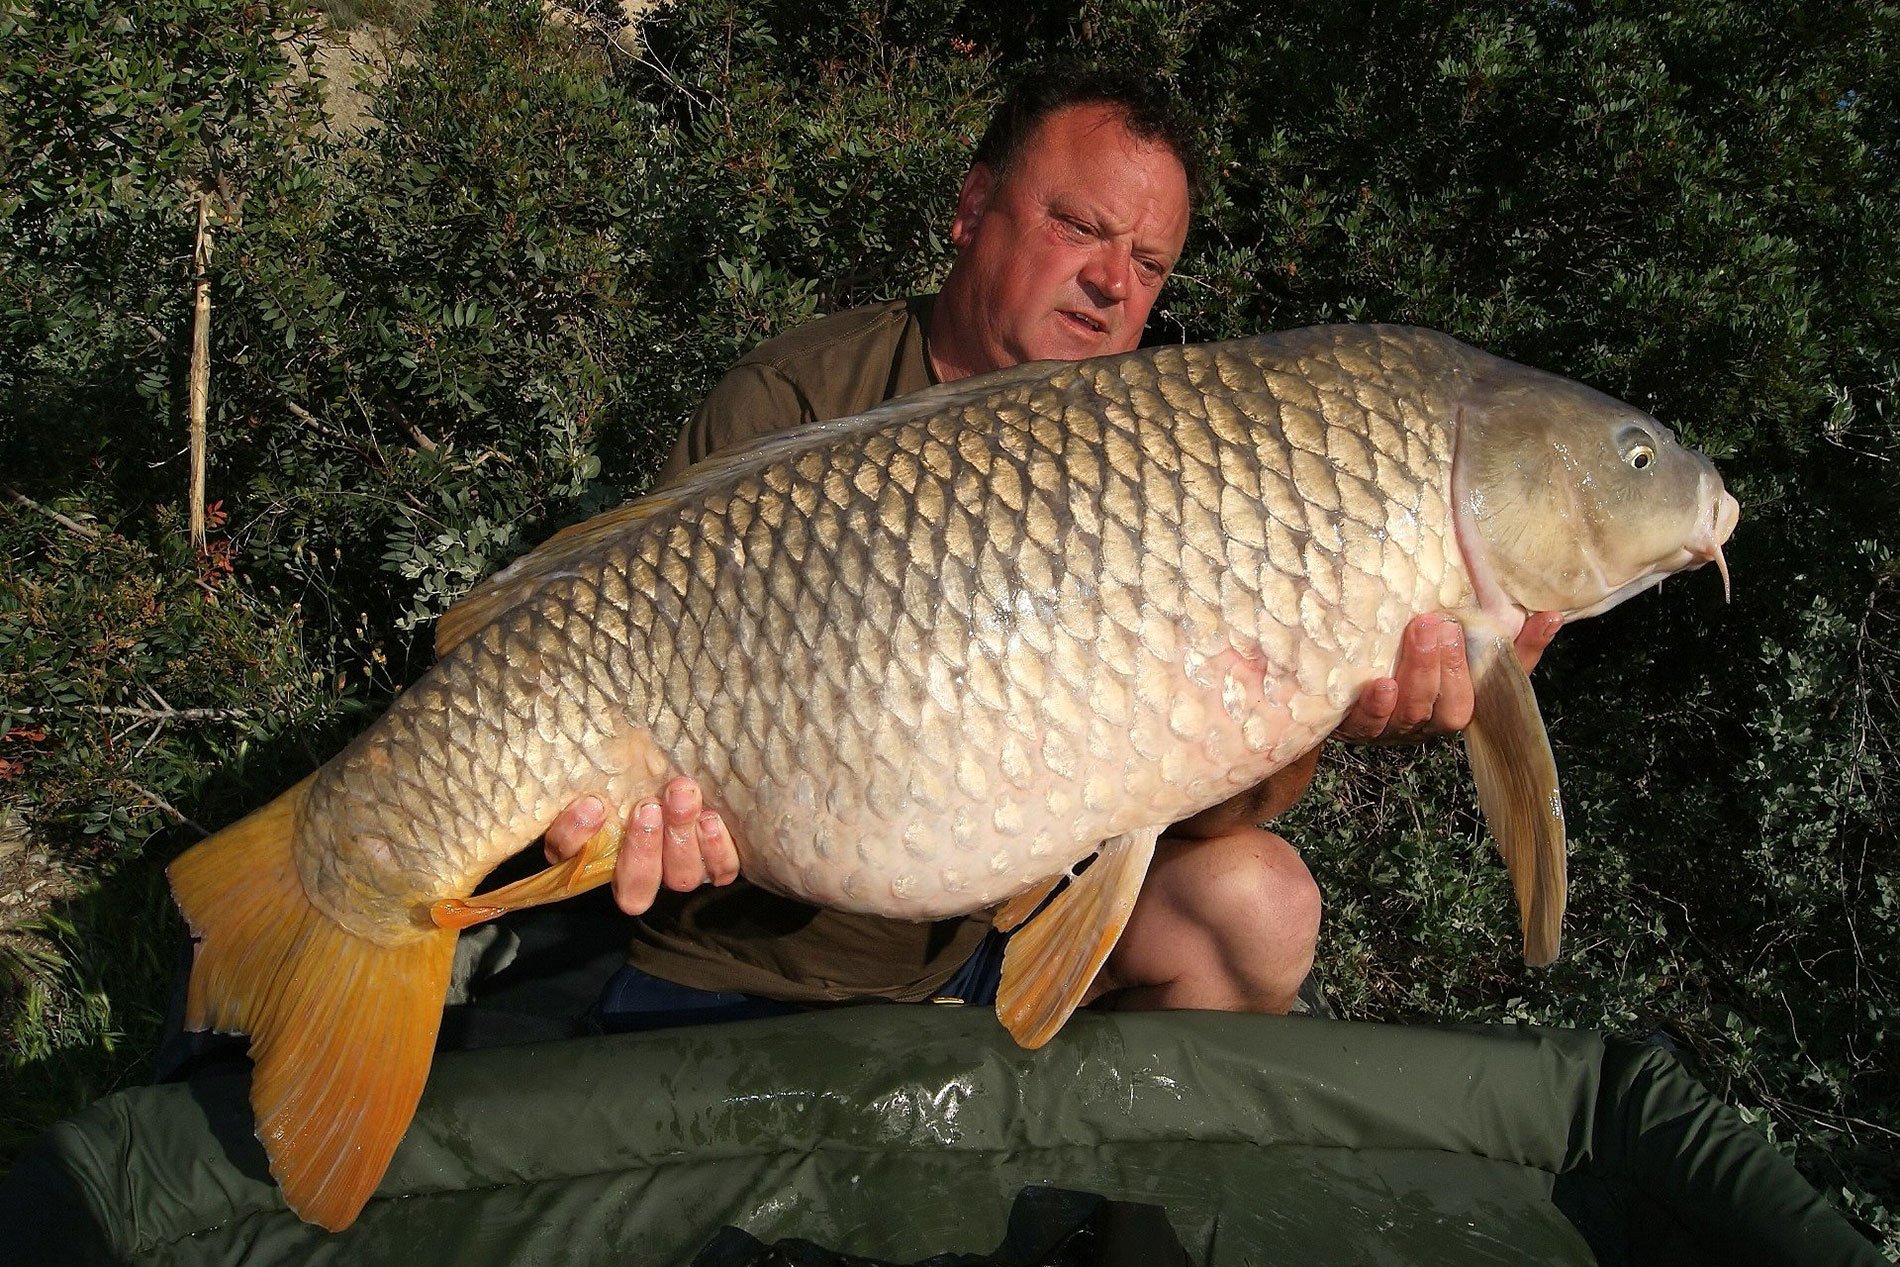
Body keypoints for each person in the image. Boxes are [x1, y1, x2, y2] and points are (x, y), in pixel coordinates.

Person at [542, 66, 1561, 1024]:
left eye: (1150, 264)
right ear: (973, 208)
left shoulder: (1174, 454)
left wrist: (1328, 711)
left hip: (988, 945)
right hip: (741, 965)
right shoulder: (798, 399)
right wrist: (646, 815)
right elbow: (623, 683)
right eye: (1079, 227)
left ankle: (1068, 1138)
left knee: (1259, 902)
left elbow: (1179, 800)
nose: (1114, 281)